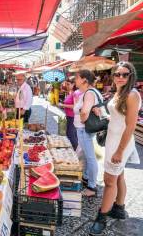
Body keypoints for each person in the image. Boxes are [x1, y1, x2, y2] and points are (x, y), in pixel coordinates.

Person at [90, 62, 141, 235]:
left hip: (121, 143)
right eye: (117, 74)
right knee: (119, 176)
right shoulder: (120, 92)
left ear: (131, 75)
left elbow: (130, 126)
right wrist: (102, 114)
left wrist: (119, 151)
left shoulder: (133, 95)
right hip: (113, 140)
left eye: (124, 74)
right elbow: (117, 118)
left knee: (109, 181)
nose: (120, 77)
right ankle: (119, 208)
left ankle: (101, 218)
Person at [74, 69, 103, 197]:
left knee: (90, 158)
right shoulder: (91, 92)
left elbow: (85, 113)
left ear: (84, 80)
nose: (75, 80)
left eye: (77, 78)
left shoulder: (89, 93)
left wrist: (82, 117)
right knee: (86, 156)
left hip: (84, 130)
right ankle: (86, 178)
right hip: (85, 130)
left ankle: (92, 186)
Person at [58, 77, 79, 150]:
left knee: (71, 135)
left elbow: (75, 106)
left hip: (72, 117)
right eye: (66, 84)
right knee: (71, 134)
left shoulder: (75, 93)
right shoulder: (70, 92)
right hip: (69, 116)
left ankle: (75, 151)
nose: (66, 85)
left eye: (68, 84)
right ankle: (74, 151)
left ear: (73, 84)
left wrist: (63, 105)